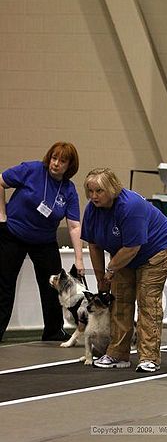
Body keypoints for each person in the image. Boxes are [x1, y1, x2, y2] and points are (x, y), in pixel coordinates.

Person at [81, 168, 167, 372]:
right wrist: (101, 279)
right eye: (90, 191)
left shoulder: (130, 206)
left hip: (156, 250)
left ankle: (149, 357)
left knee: (147, 301)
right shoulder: (92, 210)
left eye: (99, 191)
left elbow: (133, 248)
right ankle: (117, 354)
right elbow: (94, 245)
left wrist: (110, 270)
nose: (94, 196)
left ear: (112, 189)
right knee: (120, 301)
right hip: (122, 254)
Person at [0, 142, 84, 342]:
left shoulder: (69, 190)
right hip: (12, 234)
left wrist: (79, 259)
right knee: (4, 284)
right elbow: (0, 181)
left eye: (62, 161)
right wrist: (1, 216)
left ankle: (54, 331)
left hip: (44, 241)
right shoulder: (31, 170)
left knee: (53, 286)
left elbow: (74, 226)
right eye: (54, 158)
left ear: (69, 166)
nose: (56, 164)